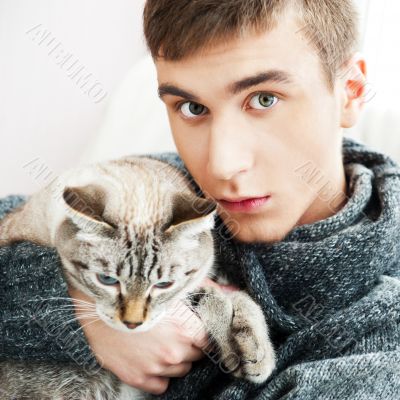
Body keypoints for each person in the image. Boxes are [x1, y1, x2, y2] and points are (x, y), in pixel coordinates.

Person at [1, 0, 399, 398]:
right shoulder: (151, 191)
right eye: (192, 108)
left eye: (264, 99)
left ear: (351, 91)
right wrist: (80, 314)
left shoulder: (381, 339)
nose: (222, 165)